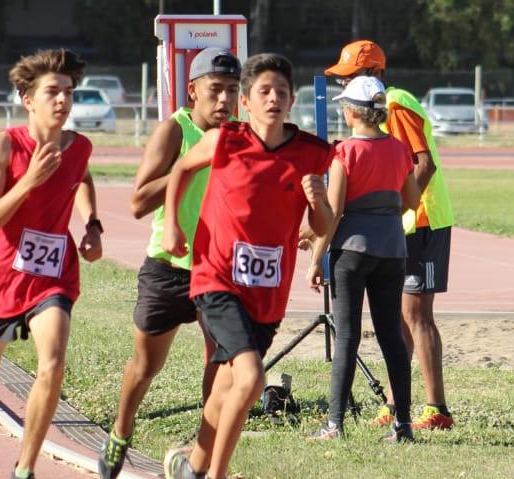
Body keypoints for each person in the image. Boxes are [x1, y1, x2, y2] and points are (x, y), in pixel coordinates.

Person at [161, 53, 333, 479]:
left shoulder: (312, 153)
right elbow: (181, 169)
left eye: (281, 92)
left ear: (292, 100)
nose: (273, 98)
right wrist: (172, 227)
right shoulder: (225, 140)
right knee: (252, 379)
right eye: (264, 91)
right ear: (247, 101)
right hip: (216, 276)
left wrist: (319, 203)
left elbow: (323, 226)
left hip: (267, 292)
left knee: (226, 386)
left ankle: (190, 466)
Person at [0, 49, 102, 479]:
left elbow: (82, 177)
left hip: (52, 276)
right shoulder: (4, 145)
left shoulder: (79, 147)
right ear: (28, 99)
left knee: (52, 364)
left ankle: (24, 469)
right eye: (52, 91)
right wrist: (29, 180)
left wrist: (92, 224)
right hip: (0, 276)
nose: (63, 100)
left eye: (69, 91)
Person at [98, 48, 241, 479]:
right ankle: (121, 432)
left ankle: (199, 456)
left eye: (232, 90)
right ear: (193, 91)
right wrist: (190, 165)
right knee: (146, 366)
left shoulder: (241, 135)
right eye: (215, 89)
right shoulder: (174, 131)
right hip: (168, 268)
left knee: (221, 363)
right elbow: (138, 201)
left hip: (217, 270)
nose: (224, 99)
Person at [324, 40, 455, 430]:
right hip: (400, 225)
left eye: (350, 76)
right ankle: (397, 406)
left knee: (416, 315)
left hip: (422, 220)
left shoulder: (394, 103)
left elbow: (423, 163)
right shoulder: (382, 106)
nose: (344, 84)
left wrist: (393, 212)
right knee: (398, 318)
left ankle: (436, 408)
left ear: (374, 73)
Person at [305, 76, 420, 443]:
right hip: (392, 250)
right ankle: (403, 425)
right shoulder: (400, 149)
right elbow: (412, 199)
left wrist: (316, 259)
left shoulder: (344, 152)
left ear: (352, 112)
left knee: (347, 336)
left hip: (351, 251)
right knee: (391, 337)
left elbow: (334, 211)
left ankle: (334, 424)